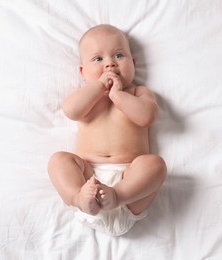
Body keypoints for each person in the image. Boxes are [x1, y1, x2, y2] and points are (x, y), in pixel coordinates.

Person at [48, 24, 166, 236]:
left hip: (129, 186)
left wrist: (119, 96)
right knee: (58, 160)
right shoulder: (86, 96)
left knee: (155, 165)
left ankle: (117, 197)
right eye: (98, 59)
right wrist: (99, 88)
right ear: (83, 72)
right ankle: (77, 198)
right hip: (88, 178)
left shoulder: (139, 92)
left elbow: (147, 117)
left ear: (133, 63)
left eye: (119, 55)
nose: (110, 63)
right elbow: (71, 110)